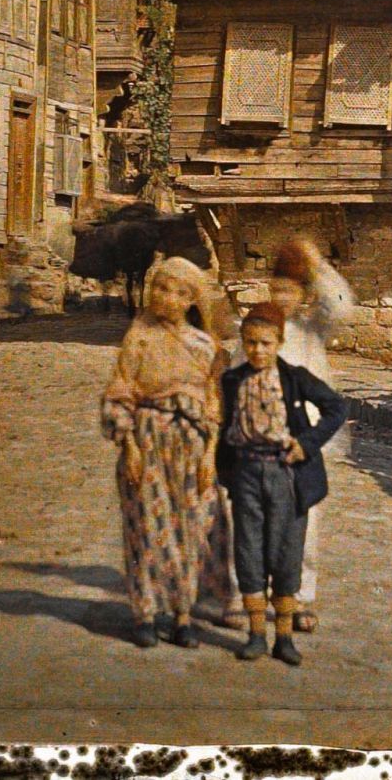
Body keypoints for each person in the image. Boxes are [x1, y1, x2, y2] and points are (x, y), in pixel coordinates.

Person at [100, 256, 235, 648]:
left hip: (191, 447)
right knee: (146, 527)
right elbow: (120, 392)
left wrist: (210, 454)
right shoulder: (138, 337)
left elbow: (214, 405)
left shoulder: (204, 345)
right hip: (147, 441)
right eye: (160, 287)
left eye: (178, 292)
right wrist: (129, 447)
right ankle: (144, 613)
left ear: (192, 300)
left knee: (190, 528)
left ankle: (182, 614)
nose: (166, 298)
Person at [218, 302, 347, 666]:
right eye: (250, 343)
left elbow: (337, 407)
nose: (257, 350)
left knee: (287, 552)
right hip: (246, 474)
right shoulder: (232, 380)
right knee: (249, 551)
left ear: (279, 342)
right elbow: (224, 426)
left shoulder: (294, 378)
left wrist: (305, 445)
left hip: (286, 476)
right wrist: (224, 472)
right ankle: (257, 635)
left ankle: (285, 638)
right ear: (243, 343)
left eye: (265, 343)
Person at [259, 237, 357, 631]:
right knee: (255, 520)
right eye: (276, 289)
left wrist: (316, 264)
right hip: (262, 444)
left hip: (305, 443)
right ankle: (249, 591)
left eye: (290, 290)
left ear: (302, 294)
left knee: (305, 523)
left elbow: (342, 304)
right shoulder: (259, 329)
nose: (282, 297)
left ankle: (300, 598)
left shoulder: (311, 329)